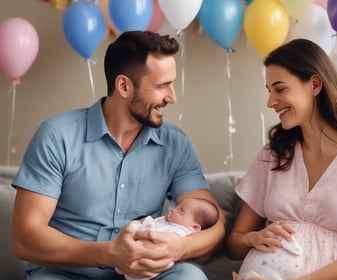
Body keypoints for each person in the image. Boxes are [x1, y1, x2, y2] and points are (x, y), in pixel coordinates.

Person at [11, 30, 225, 280]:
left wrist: (181, 247)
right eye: (162, 85)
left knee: (190, 276)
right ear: (123, 85)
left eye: (172, 83)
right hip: (66, 273)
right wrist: (109, 254)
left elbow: (216, 226)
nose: (172, 97)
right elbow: (25, 239)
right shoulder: (57, 136)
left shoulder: (175, 144)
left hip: (146, 274)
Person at [226, 38, 337, 280]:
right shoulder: (273, 155)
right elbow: (234, 242)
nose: (270, 102)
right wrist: (251, 238)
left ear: (315, 84)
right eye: (269, 91)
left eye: (280, 88)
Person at [121, 197, 220, 280]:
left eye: (181, 211)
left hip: (147, 267)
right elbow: (151, 222)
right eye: (176, 207)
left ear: (194, 227)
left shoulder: (180, 233)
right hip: (125, 252)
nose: (173, 210)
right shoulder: (165, 220)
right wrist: (143, 222)